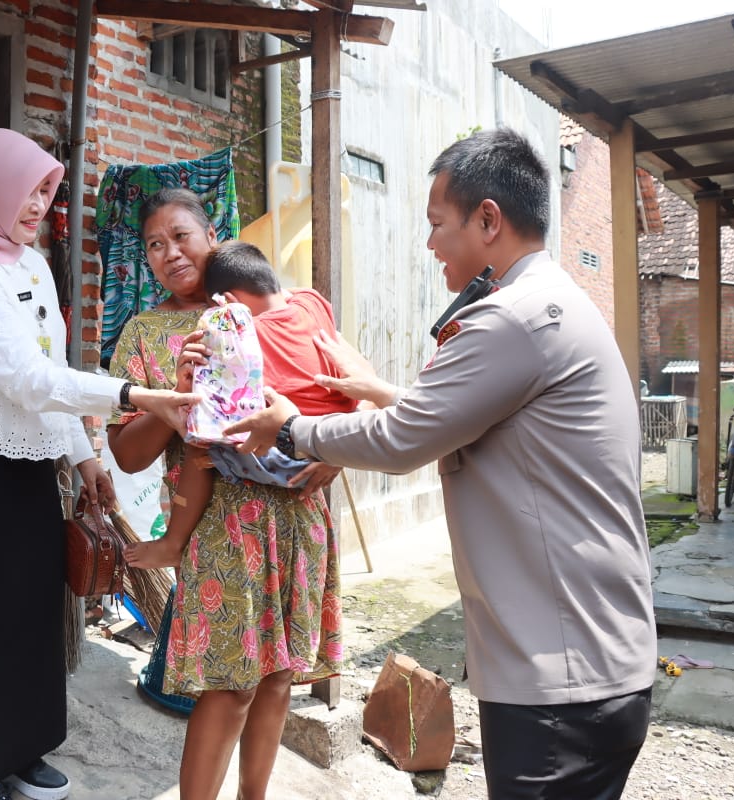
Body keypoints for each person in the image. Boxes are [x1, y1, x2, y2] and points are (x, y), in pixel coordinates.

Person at [228, 128, 657, 800]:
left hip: (559, 681)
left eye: (437, 225)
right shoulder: (551, 303)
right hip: (591, 665)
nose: (431, 246)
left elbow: (402, 440)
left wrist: (291, 428)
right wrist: (378, 395)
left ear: (489, 219)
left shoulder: (510, 319)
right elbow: (471, 424)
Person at [0, 129, 196, 800]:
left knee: (36, 605)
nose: (39, 204)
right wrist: (132, 395)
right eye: (28, 189)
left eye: (48, 190)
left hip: (30, 459)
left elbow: (51, 370)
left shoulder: (30, 263)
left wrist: (82, 454)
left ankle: (25, 746)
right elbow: (23, 379)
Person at [107, 188, 343, 800]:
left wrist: (334, 459)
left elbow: (332, 392)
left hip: (298, 510)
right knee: (231, 683)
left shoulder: (271, 308)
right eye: (154, 245)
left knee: (277, 676)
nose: (169, 253)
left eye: (180, 235)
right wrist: (177, 395)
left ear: (213, 238)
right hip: (218, 520)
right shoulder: (145, 333)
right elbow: (129, 456)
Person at [124, 239, 356, 570]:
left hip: (285, 461)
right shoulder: (312, 303)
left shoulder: (247, 337)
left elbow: (224, 399)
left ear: (226, 303)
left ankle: (172, 542)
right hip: (328, 446)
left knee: (201, 444)